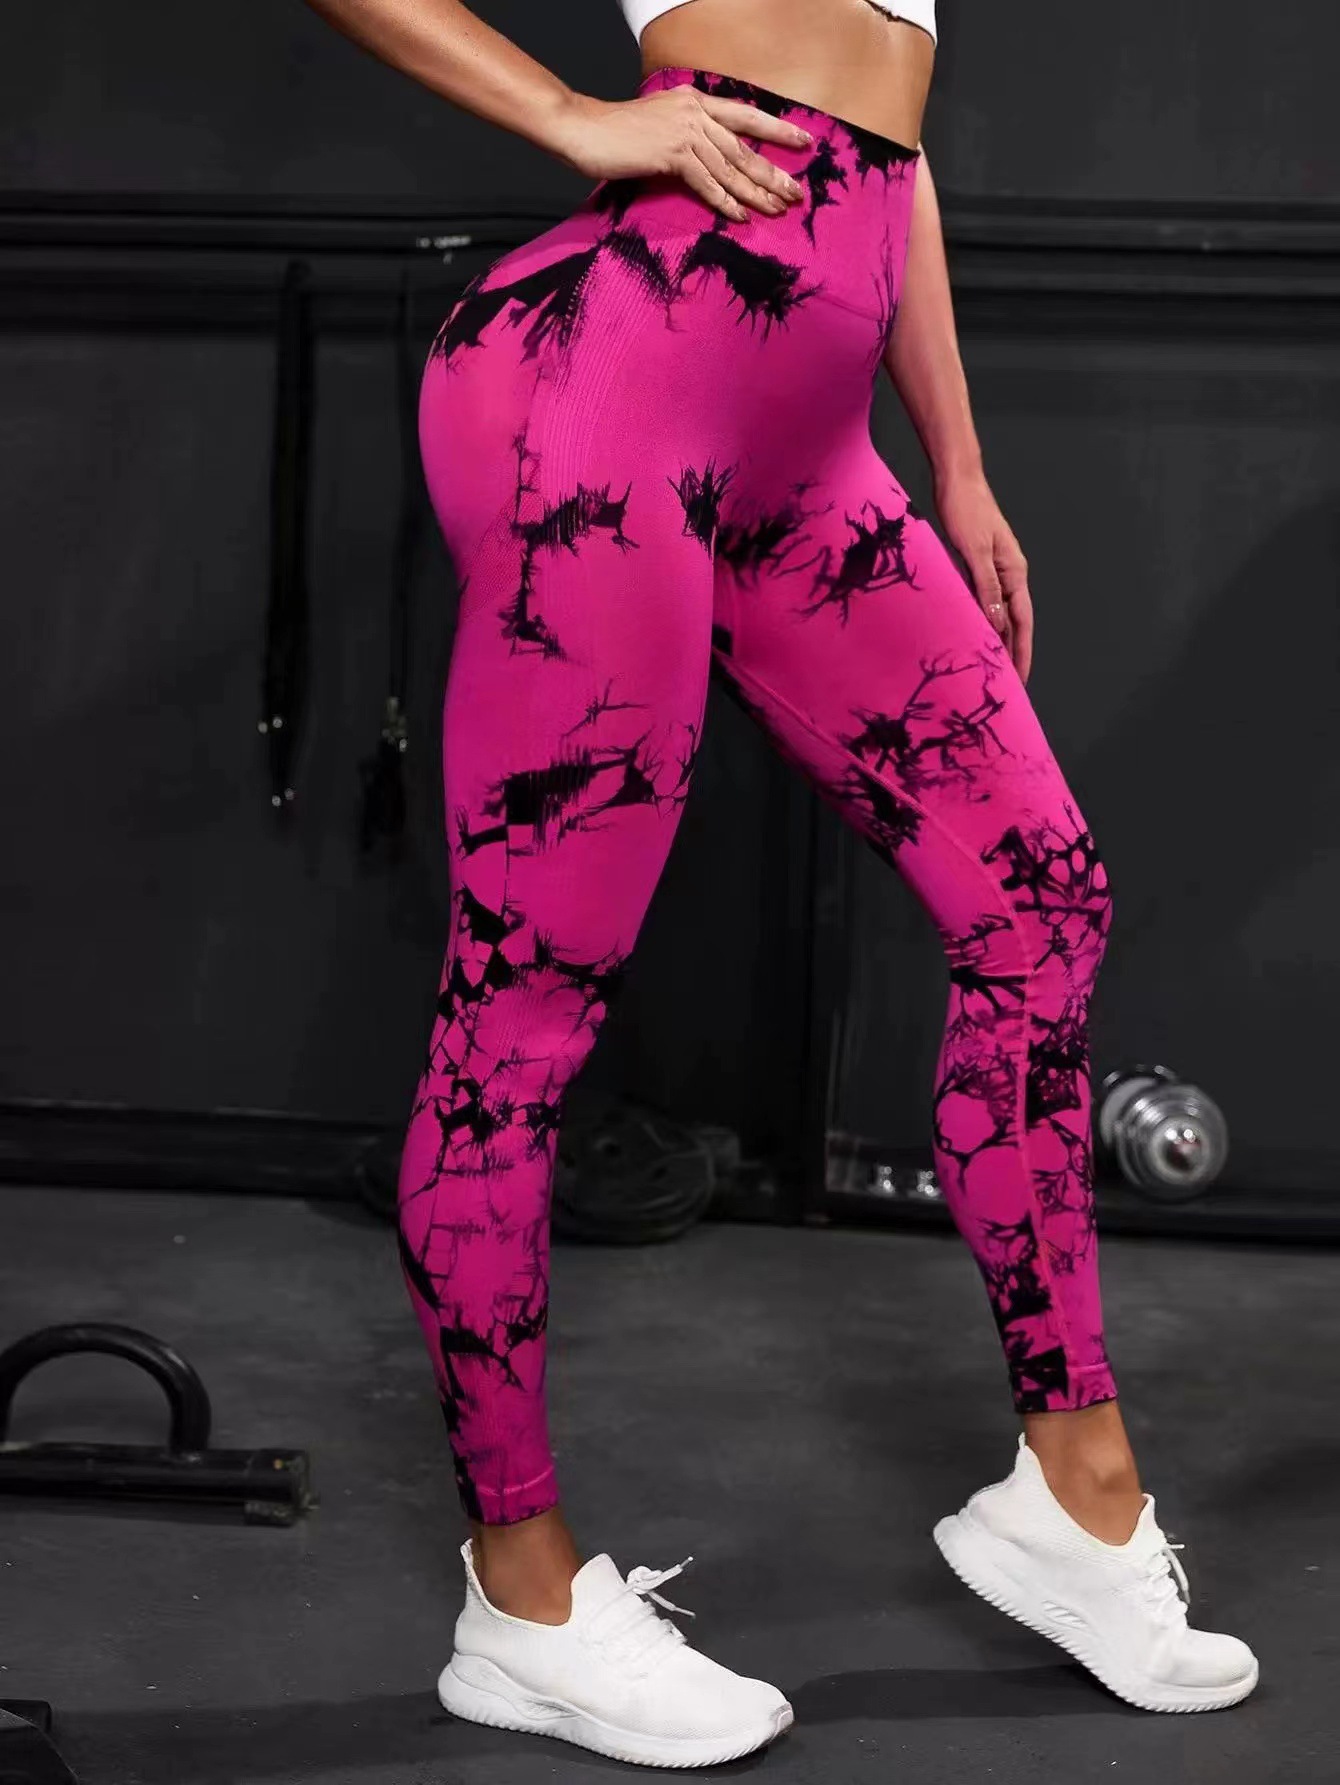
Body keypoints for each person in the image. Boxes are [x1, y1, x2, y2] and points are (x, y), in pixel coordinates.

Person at [303, 0, 1259, 1764]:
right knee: (522, 1013)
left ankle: (1075, 1496)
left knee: (1040, 904)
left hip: (810, 440)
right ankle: (521, 1597)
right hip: (605, 391)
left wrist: (956, 459)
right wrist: (575, 114)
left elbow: (892, 144)